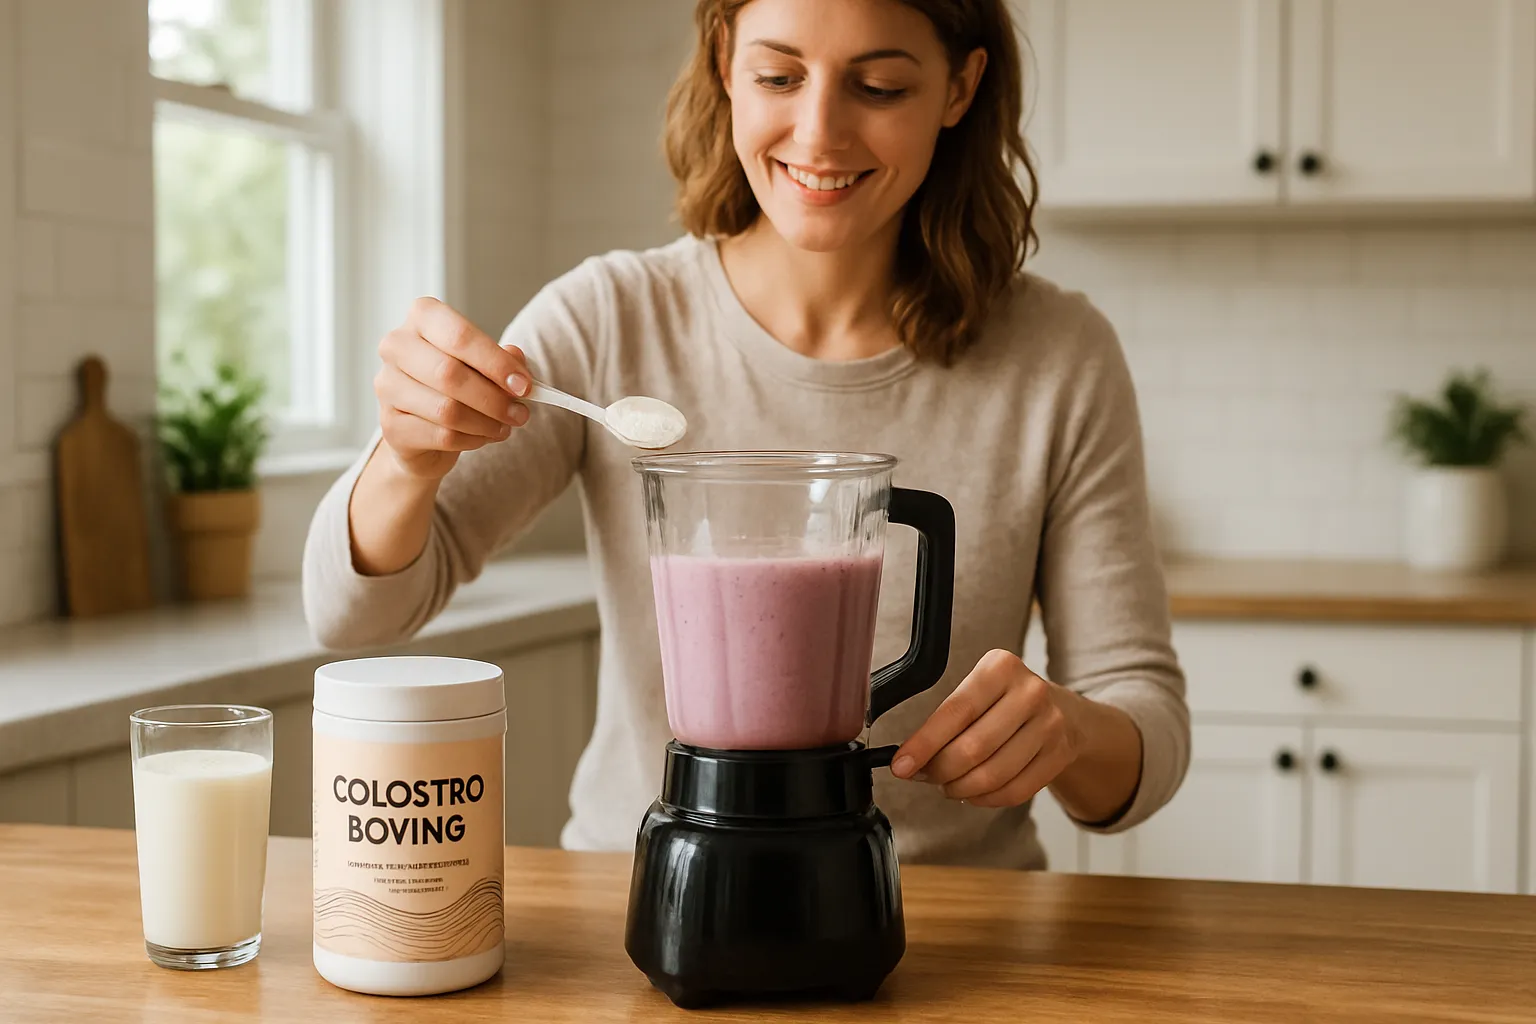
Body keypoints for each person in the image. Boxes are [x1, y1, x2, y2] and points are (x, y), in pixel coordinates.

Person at [303, 0, 1189, 869]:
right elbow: (352, 613)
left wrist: (1069, 733)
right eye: (779, 75)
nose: (819, 133)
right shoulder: (610, 319)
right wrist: (408, 456)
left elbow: (1141, 726)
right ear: (725, 60)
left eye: (878, 86)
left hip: (950, 925)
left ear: (960, 88)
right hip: (640, 891)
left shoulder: (1059, 357)